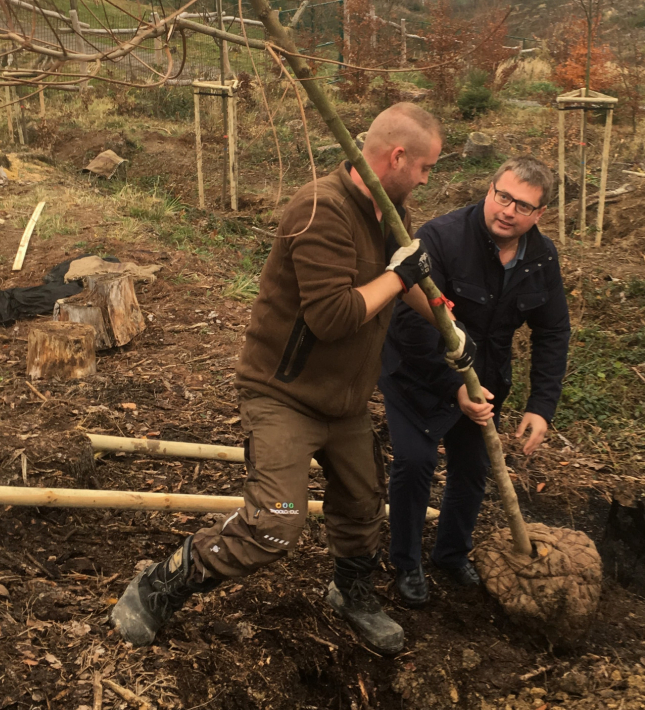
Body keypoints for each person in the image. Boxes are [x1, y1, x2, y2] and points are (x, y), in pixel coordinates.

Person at [109, 103, 445, 655]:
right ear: (397, 156)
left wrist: (450, 325)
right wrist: (397, 274)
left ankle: (351, 591)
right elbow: (332, 316)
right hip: (284, 397)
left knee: (363, 506)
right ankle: (159, 584)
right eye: (426, 167)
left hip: (344, 404)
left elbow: (404, 280)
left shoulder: (389, 209)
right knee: (277, 521)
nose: (428, 179)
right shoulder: (321, 208)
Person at [379, 156, 571, 607]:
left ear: (539, 215)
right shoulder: (442, 238)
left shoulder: (541, 257)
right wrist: (453, 388)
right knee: (415, 462)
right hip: (417, 375)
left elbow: (553, 330)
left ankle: (451, 553)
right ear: (490, 190)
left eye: (522, 206)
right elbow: (411, 320)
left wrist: (541, 405)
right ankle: (406, 563)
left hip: (484, 380)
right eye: (502, 196)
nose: (507, 210)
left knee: (473, 468)